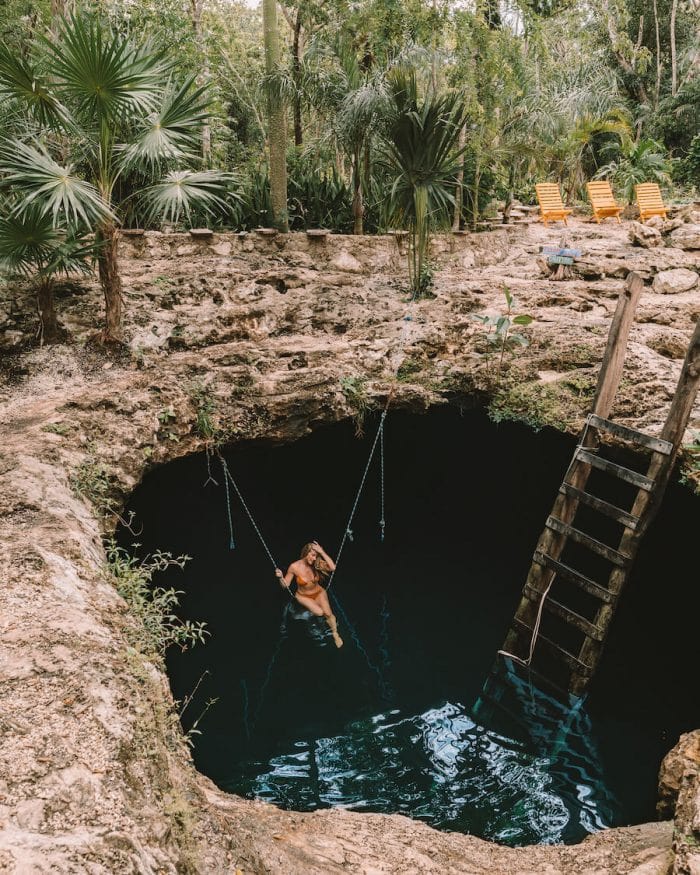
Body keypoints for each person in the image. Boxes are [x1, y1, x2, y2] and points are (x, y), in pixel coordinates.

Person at [275, 541, 343, 648]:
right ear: (306, 552)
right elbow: (285, 585)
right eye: (313, 555)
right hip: (303, 596)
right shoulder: (294, 567)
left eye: (316, 556)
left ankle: (335, 634)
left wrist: (322, 551)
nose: (314, 558)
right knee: (320, 613)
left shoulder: (316, 563)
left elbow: (333, 568)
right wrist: (280, 578)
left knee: (328, 613)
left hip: (319, 592)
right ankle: (319, 629)